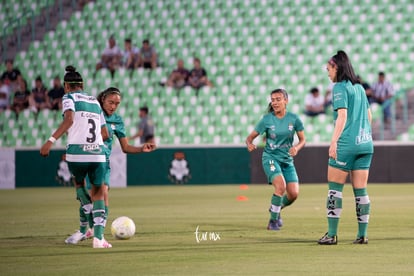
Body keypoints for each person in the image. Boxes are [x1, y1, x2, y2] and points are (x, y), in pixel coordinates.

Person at [65, 87, 156, 245]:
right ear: (102, 100)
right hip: (85, 156)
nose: (113, 106)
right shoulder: (92, 112)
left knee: (102, 195)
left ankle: (97, 234)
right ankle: (86, 230)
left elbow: (125, 147)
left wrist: (141, 148)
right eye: (111, 102)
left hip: (102, 162)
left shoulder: (117, 120)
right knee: (87, 199)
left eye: (117, 103)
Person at [40, 65, 112, 248]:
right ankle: (98, 238)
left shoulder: (68, 97)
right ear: (82, 84)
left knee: (80, 186)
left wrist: (50, 140)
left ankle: (87, 226)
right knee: (98, 193)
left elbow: (69, 119)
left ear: (66, 86)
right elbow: (105, 134)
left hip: (77, 153)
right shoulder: (96, 102)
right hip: (97, 153)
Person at [318, 50, 373, 245]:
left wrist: (334, 142)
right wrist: (363, 135)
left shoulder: (340, 88)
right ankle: (362, 235)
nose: (327, 72)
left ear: (337, 67)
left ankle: (332, 234)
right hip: (365, 143)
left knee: (334, 190)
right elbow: (369, 117)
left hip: (346, 143)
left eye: (329, 68)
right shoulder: (359, 88)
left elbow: (342, 116)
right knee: (361, 191)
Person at [245, 88, 306, 230]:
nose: (275, 103)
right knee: (280, 186)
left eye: (278, 99)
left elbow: (303, 140)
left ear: (286, 100)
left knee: (293, 194)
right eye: (273, 100)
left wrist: (296, 148)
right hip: (270, 158)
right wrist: (249, 144)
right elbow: (250, 138)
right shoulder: (267, 120)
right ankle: (273, 222)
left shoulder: (294, 119)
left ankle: (275, 208)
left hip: (287, 160)